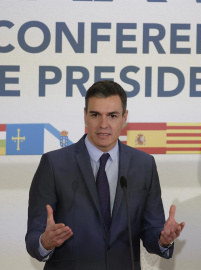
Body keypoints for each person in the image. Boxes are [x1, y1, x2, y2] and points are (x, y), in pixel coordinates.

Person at [26, 80, 185, 270]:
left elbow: (151, 230)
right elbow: (34, 237)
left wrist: (163, 239)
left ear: (124, 118)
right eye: (95, 114)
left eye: (112, 115)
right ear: (85, 116)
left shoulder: (144, 164)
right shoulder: (54, 164)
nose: (104, 124)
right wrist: (45, 242)